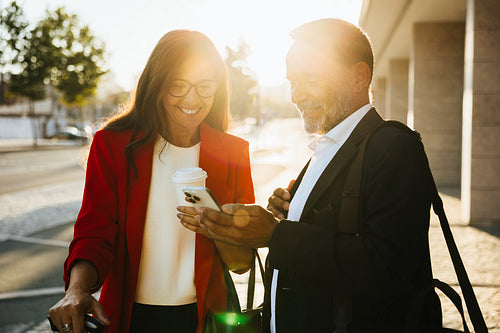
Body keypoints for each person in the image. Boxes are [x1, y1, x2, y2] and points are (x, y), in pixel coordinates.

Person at [178, 19, 439, 332]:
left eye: (310, 80)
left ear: (358, 78)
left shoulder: (395, 148)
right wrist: (291, 212)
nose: (295, 96)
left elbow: (389, 267)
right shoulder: (326, 147)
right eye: (292, 82)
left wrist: (275, 234)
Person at [48, 30, 255, 333]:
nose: (192, 98)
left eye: (204, 86)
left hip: (208, 321)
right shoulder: (113, 145)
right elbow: (95, 232)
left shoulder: (234, 153)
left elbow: (242, 263)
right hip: (130, 319)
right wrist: (76, 290)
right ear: (157, 85)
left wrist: (218, 228)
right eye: (178, 85)